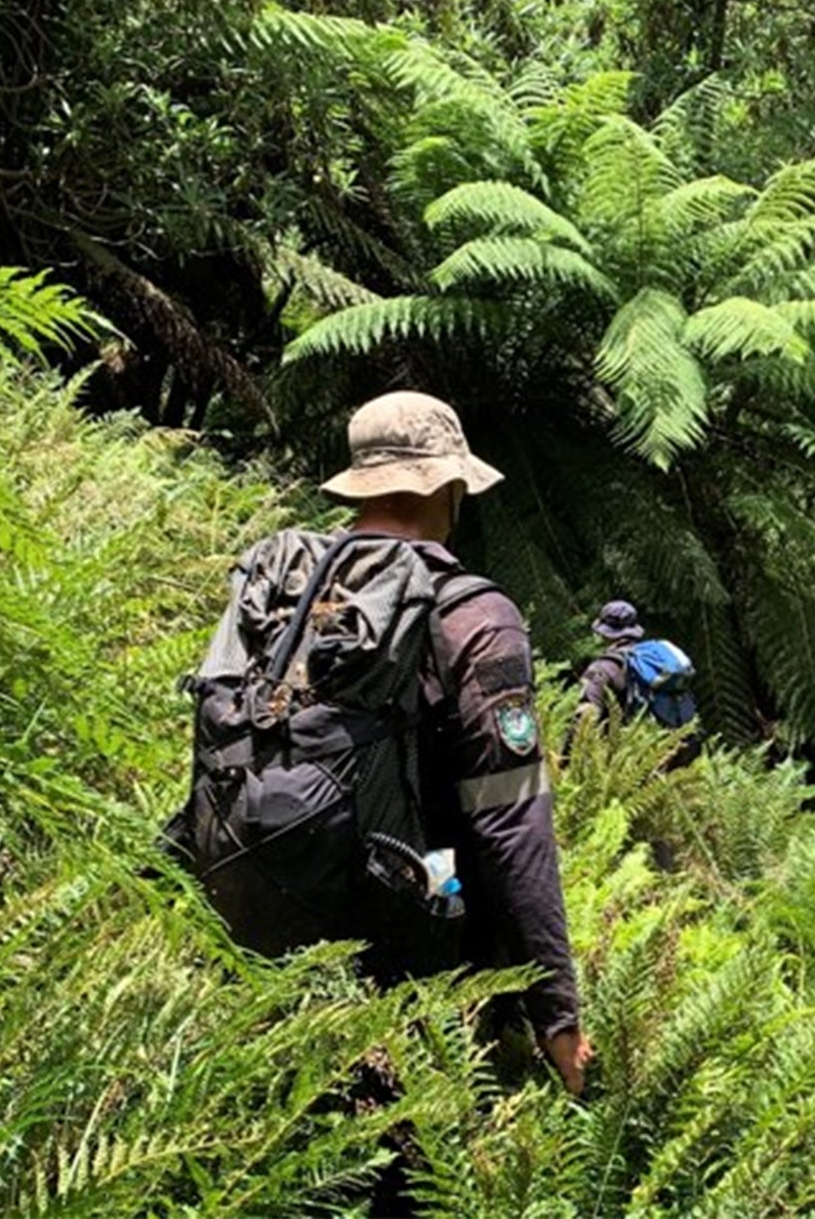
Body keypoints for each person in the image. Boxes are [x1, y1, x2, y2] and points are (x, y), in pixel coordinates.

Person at [181, 391, 591, 1095]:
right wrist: (557, 1012)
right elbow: (511, 820)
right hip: (419, 966)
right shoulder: (476, 616)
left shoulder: (285, 592)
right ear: (451, 484)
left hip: (267, 948)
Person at [576, 599, 645, 722]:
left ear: (604, 633)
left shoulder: (601, 669)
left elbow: (585, 717)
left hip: (619, 740)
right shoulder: (651, 661)